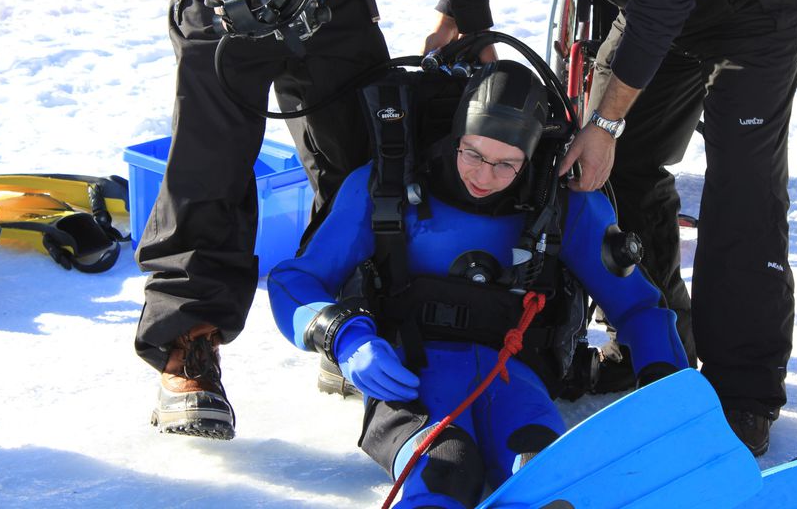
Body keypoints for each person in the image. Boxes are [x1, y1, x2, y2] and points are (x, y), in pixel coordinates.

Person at [429, 0, 797, 456]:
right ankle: (660, 334)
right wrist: (456, 15)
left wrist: (607, 121)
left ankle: (743, 392)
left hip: (753, 9)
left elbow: (663, 6)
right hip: (641, 3)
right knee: (608, 171)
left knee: (741, 190)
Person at [136, 0, 496, 441]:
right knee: (214, 152)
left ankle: (344, 318)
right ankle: (188, 345)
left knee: (363, 149)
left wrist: (474, 20)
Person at [267, 61, 688, 508]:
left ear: (532, 155)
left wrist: (668, 387)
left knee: (546, 482)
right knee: (446, 473)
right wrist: (345, 337)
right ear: (455, 134)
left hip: (517, 382)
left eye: (506, 163)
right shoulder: (384, 187)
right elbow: (295, 281)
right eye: (472, 153)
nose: (483, 177)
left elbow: (640, 307)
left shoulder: (565, 206)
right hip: (410, 383)